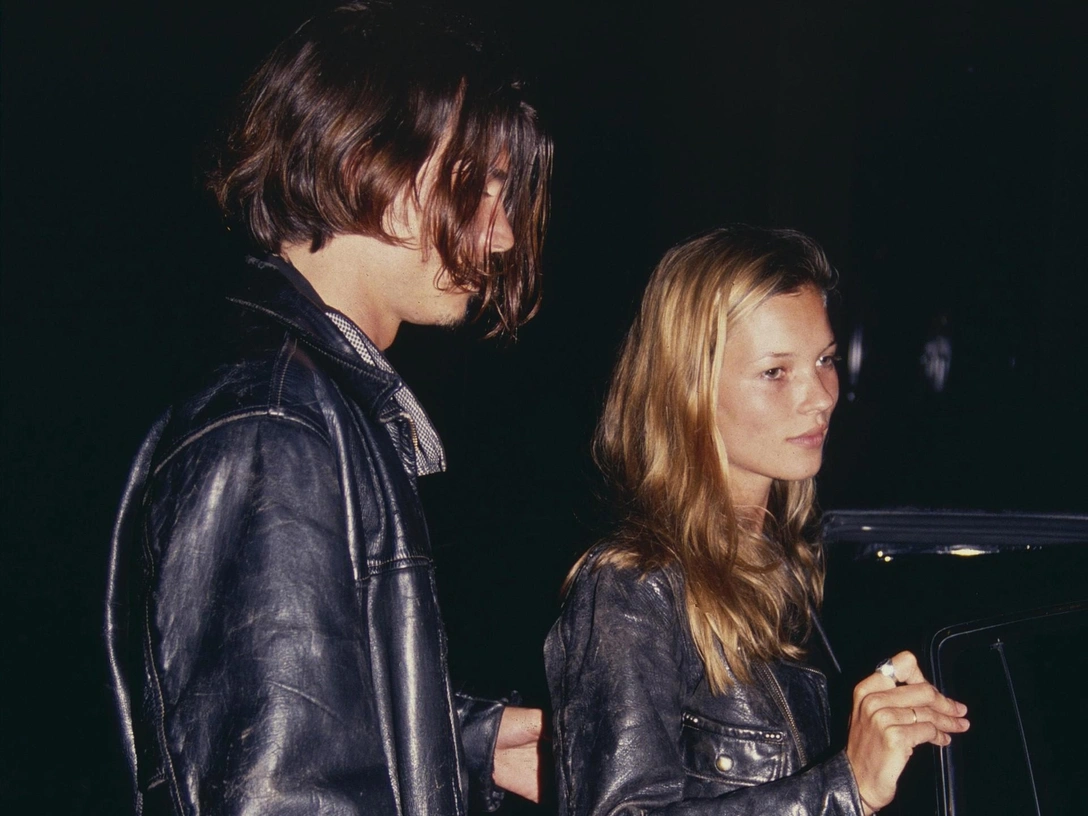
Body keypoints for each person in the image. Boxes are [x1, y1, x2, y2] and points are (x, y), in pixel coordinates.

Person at [105, 3, 551, 814]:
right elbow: (277, 796)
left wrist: (466, 743)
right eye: (480, 183)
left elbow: (295, 725)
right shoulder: (276, 427)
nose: (503, 235)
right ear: (365, 165)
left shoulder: (312, 404)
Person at [545, 226, 970, 816]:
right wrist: (845, 789)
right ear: (689, 389)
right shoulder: (633, 588)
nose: (821, 397)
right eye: (776, 372)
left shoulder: (787, 559)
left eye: (825, 360)